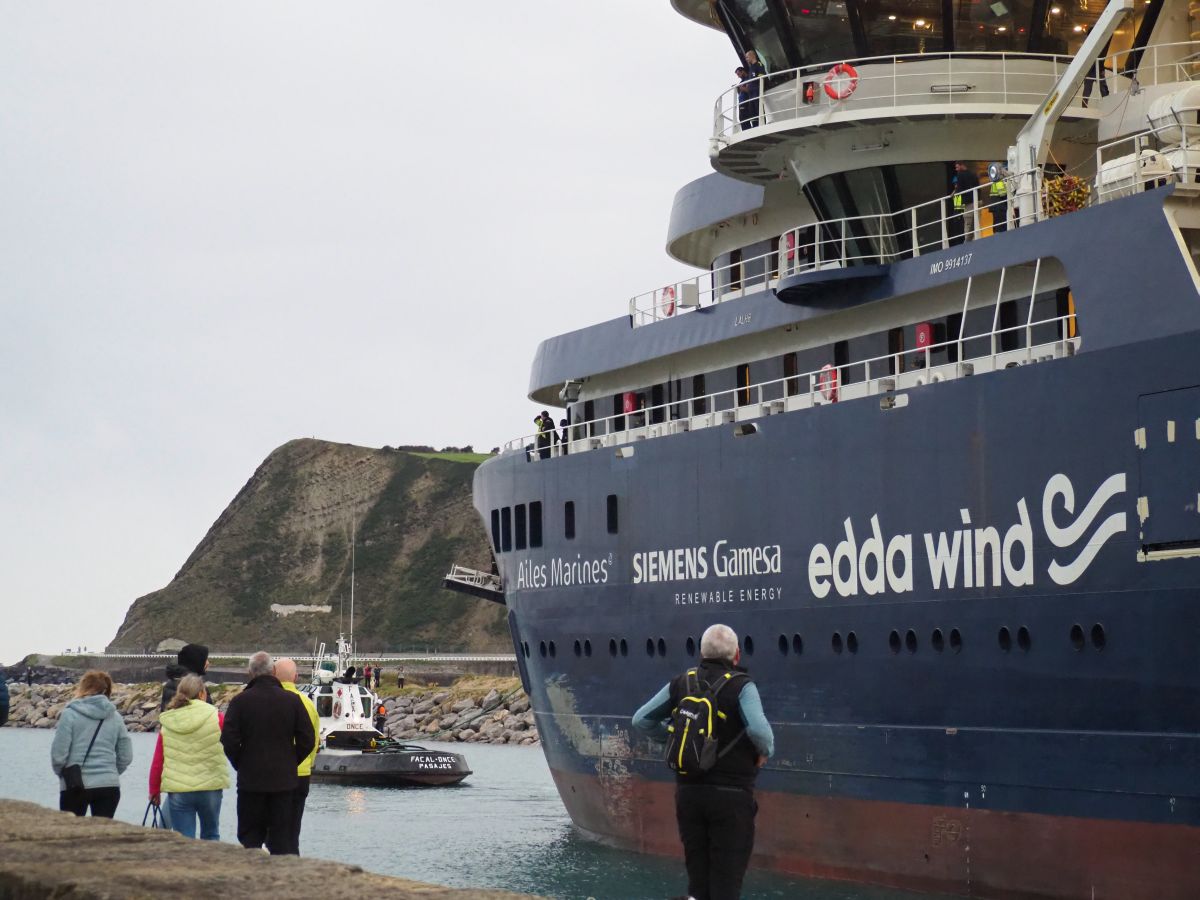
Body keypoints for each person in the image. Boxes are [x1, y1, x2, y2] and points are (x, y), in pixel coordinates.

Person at [633, 624, 774, 900]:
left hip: (689, 794)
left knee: (698, 882)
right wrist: (764, 751)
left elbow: (641, 720)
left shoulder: (682, 682)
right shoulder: (742, 686)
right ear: (736, 655)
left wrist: (673, 738)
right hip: (732, 798)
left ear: (701, 653)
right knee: (727, 882)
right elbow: (759, 730)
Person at [220, 651, 316, 855]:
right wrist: (291, 762)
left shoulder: (240, 702)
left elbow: (228, 740)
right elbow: (308, 739)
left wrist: (242, 763)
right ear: (273, 671)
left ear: (250, 673)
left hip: (251, 783)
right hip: (284, 783)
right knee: (282, 840)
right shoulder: (292, 701)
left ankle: (253, 880)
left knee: (250, 838)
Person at [149, 674, 230, 840]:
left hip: (179, 789)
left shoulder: (169, 719)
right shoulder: (217, 717)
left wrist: (154, 789)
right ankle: (212, 866)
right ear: (202, 694)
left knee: (184, 839)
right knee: (211, 834)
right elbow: (233, 746)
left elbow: (159, 760)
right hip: (210, 786)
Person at [50, 670, 133, 818]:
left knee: (72, 835)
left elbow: (58, 755)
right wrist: (111, 773)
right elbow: (126, 756)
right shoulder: (115, 717)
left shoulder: (70, 714)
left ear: (83, 687)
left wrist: (63, 775)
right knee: (102, 837)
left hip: (75, 784)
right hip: (109, 785)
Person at [273, 658, 320, 856]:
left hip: (273, 772)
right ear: (296, 677)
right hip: (301, 774)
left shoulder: (269, 700)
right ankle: (293, 862)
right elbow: (314, 738)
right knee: (293, 830)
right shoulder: (307, 703)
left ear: (273, 675)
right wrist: (306, 763)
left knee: (273, 827)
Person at [161, 643, 211, 711]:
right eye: (205, 659)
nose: (208, 663)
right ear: (196, 661)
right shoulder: (194, 686)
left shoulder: (172, 683)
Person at [950, 161, 980, 244]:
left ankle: (968, 244)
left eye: (957, 167)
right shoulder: (973, 174)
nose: (956, 169)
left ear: (962, 165)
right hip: (977, 201)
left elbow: (959, 190)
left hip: (968, 204)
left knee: (968, 225)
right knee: (976, 223)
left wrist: (954, 193)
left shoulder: (960, 175)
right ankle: (976, 240)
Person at [988, 167, 1008, 234]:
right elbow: (1002, 194)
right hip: (999, 206)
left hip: (995, 205)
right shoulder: (999, 181)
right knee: (1001, 226)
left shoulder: (995, 180)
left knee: (996, 224)